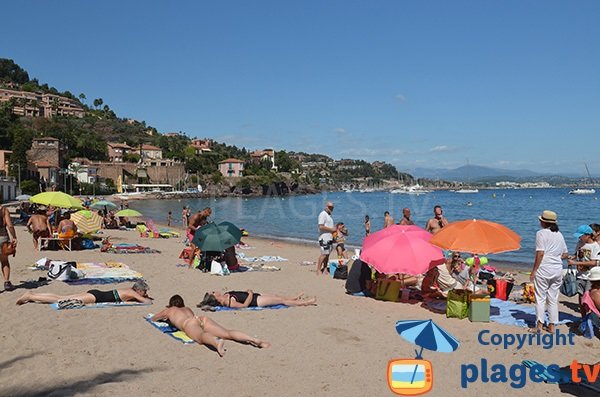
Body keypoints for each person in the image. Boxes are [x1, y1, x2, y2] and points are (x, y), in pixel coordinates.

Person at [151, 294, 270, 357]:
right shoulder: (187, 309)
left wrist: (167, 318)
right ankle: (253, 339)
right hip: (201, 318)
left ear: (171, 304)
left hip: (189, 324)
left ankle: (216, 342)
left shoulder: (170, 310)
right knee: (227, 333)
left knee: (201, 337)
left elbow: (154, 318)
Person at [529, 210, 568, 334]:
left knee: (540, 298)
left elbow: (540, 253)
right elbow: (565, 254)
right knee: (553, 298)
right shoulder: (559, 234)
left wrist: (534, 270)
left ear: (543, 222)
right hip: (557, 269)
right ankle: (552, 326)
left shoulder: (541, 233)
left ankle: (539, 325)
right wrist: (555, 257)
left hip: (544, 268)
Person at [16, 280, 152, 306]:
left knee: (61, 297)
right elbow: (147, 302)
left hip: (96, 294)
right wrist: (145, 298)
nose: (145, 293)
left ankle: (32, 295)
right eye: (144, 291)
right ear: (139, 290)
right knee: (60, 300)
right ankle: (30, 296)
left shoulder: (129, 290)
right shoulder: (134, 293)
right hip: (95, 297)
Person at [568, 225, 600, 316]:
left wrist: (576, 263)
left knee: (588, 298)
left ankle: (591, 317)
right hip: (580, 275)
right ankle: (583, 318)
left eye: (581, 235)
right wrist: (572, 257)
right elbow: (577, 253)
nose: (579, 237)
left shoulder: (595, 246)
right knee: (581, 296)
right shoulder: (580, 243)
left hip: (590, 276)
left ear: (588, 235)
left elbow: (594, 262)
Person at [200, 290, 316, 308]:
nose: (215, 291)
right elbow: (244, 306)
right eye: (213, 292)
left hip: (256, 296)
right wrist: (250, 294)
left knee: (277, 297)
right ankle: (305, 303)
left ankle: (294, 297)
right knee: (281, 301)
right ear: (214, 297)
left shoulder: (225, 296)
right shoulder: (228, 302)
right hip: (256, 301)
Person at [0, 204, 17, 291]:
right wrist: (14, 237)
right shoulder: (3, 210)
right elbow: (10, 225)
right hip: (2, 237)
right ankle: (6, 283)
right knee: (4, 261)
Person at [316, 202, 336, 276]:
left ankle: (325, 269)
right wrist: (331, 230)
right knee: (324, 254)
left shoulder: (329, 216)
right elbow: (320, 226)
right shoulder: (323, 214)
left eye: (332, 207)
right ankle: (318, 269)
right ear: (326, 206)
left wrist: (333, 236)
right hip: (324, 238)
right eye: (330, 207)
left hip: (329, 238)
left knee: (327, 255)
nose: (331, 209)